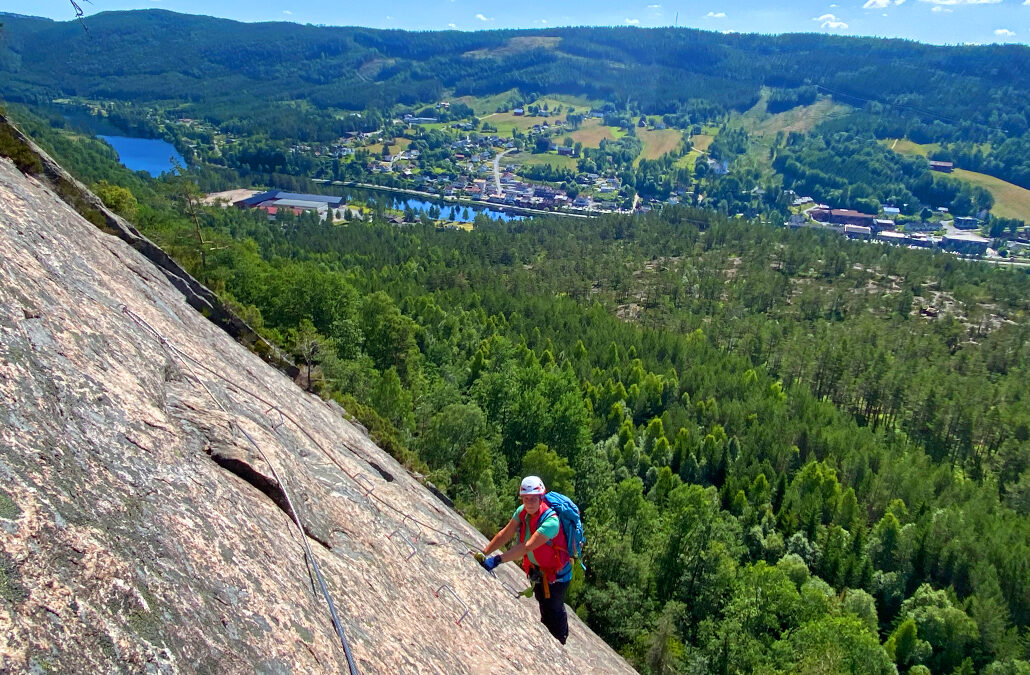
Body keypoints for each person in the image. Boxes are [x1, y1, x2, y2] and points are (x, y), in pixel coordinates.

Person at [479, 475, 572, 644]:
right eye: (526, 498)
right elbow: (505, 534)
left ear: (541, 497)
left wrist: (496, 560)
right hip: (538, 572)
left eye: (533, 498)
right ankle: (552, 640)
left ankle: (560, 641)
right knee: (543, 603)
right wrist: (484, 552)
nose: (529, 502)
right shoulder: (522, 512)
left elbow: (527, 546)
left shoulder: (551, 522)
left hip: (557, 576)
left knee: (553, 607)